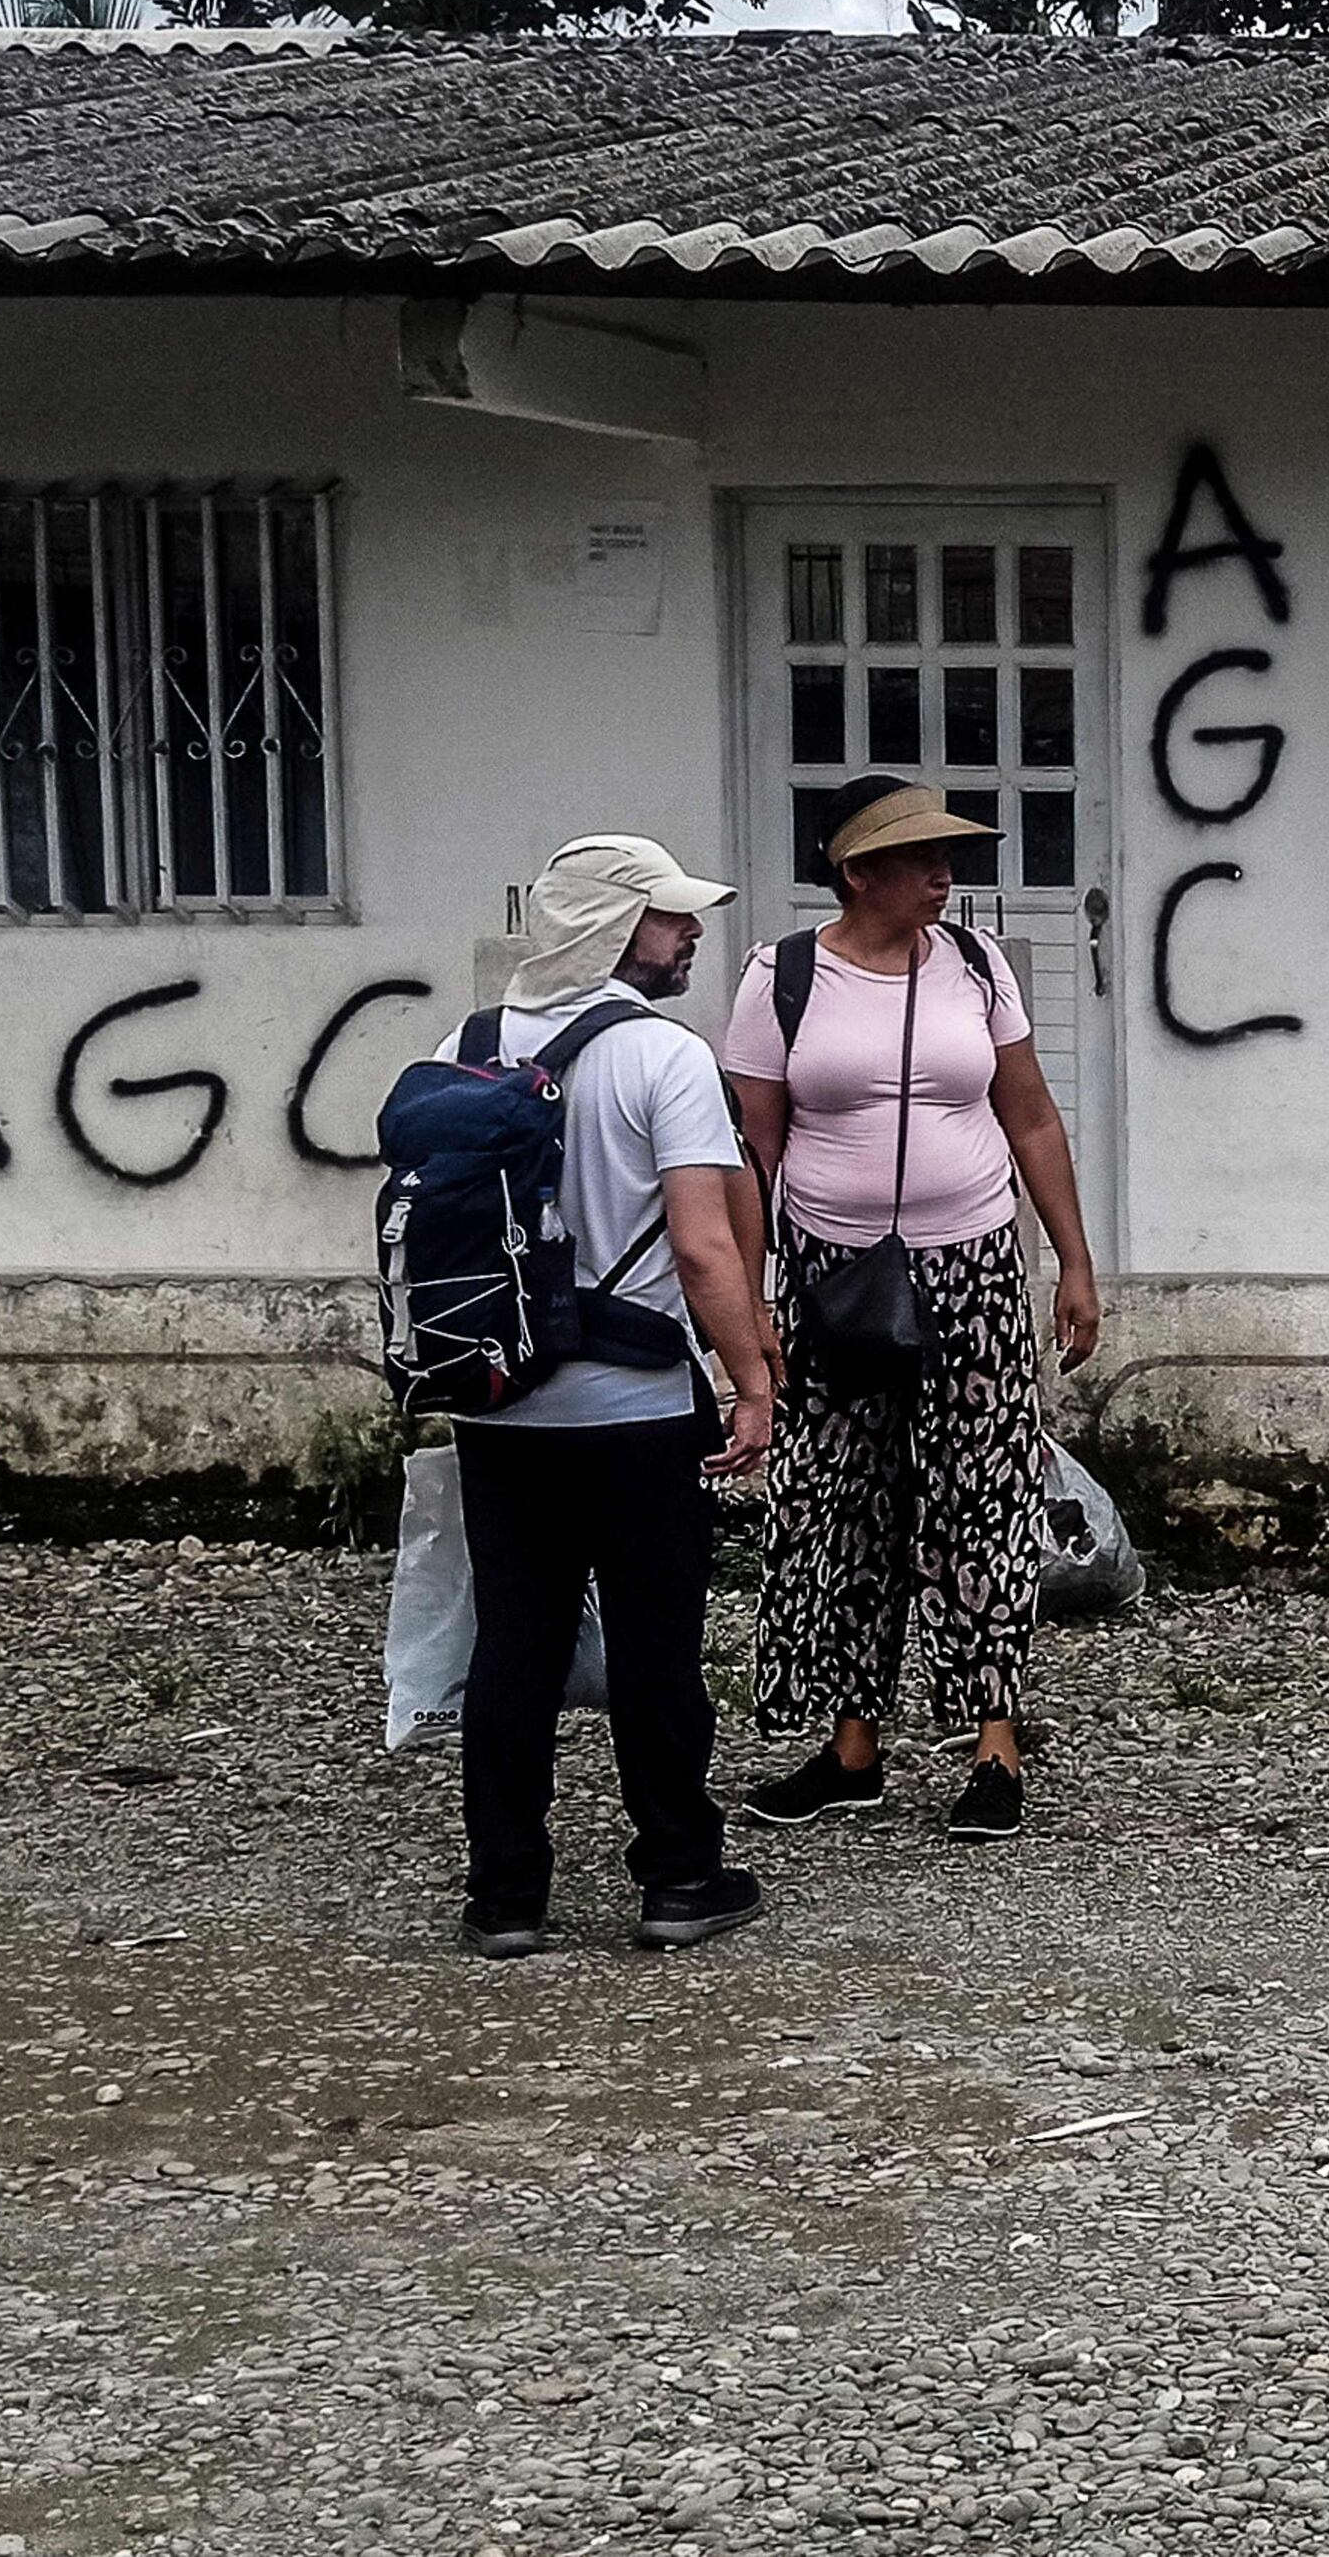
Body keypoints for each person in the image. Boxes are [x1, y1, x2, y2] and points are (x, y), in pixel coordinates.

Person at [721, 775, 1103, 1843]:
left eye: (949, 857)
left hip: (971, 1268)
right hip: (830, 1275)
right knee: (843, 1502)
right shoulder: (782, 978)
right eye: (921, 858)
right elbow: (750, 1152)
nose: (945, 875)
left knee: (985, 1496)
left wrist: (1074, 1263)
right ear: (857, 872)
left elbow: (1031, 1118)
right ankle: (851, 1749)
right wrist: (749, 1305)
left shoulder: (977, 966)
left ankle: (994, 1744)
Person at [445, 835, 781, 1959]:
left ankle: (505, 1895)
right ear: (610, 929)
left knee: (514, 1647)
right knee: (654, 1646)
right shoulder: (662, 1057)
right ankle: (679, 1875)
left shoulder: (464, 1045)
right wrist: (751, 1380)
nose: (690, 934)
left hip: (496, 1400)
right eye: (670, 917)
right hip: (634, 1407)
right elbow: (703, 1247)